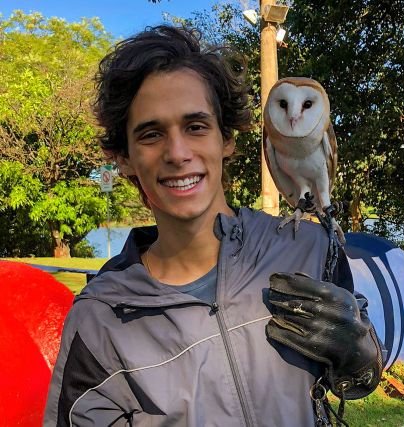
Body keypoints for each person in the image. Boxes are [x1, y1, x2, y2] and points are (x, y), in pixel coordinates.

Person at [44, 25, 384, 426]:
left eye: (196, 126)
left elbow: (356, 378)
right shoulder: (100, 316)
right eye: (152, 134)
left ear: (227, 140)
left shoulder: (308, 246)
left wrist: (359, 357)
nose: (178, 153)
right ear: (124, 158)